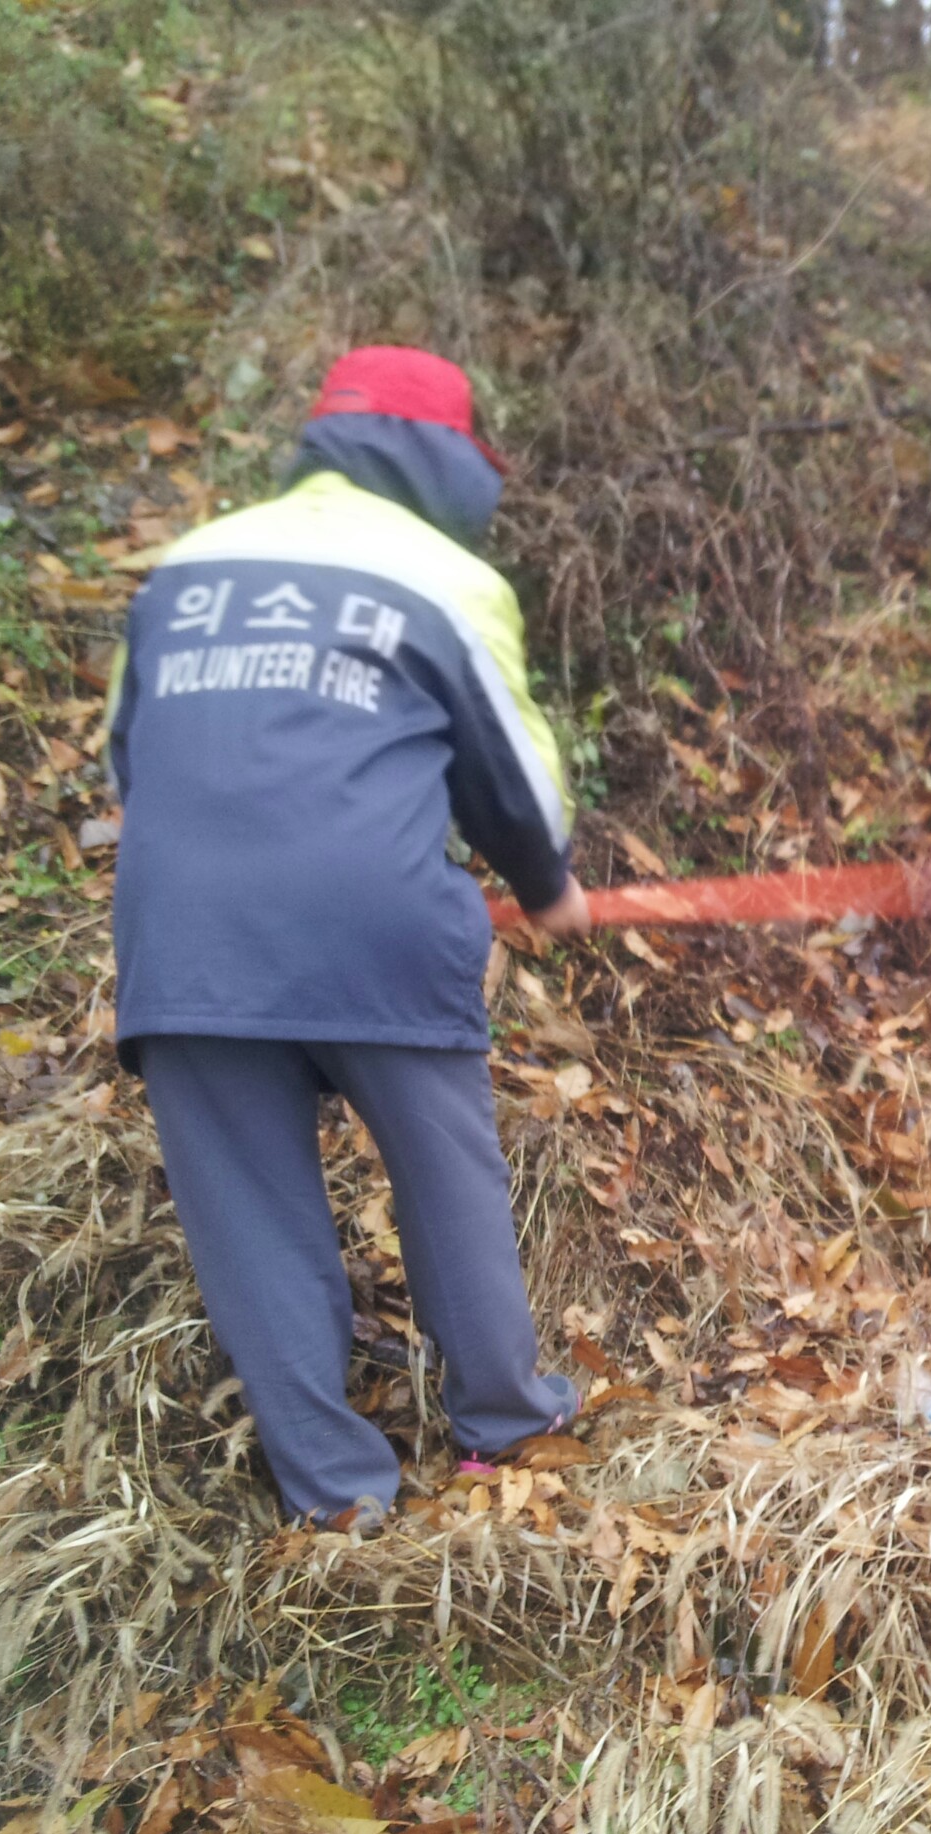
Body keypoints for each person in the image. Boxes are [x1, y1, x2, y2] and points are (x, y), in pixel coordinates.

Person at [106, 346, 586, 1528]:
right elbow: (515, 784)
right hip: (376, 923)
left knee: (250, 1215)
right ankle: (506, 1426)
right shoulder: (444, 578)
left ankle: (336, 1496)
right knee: (445, 1172)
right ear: (447, 461)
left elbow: (128, 759)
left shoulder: (185, 568)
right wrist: (546, 885)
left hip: (184, 937)